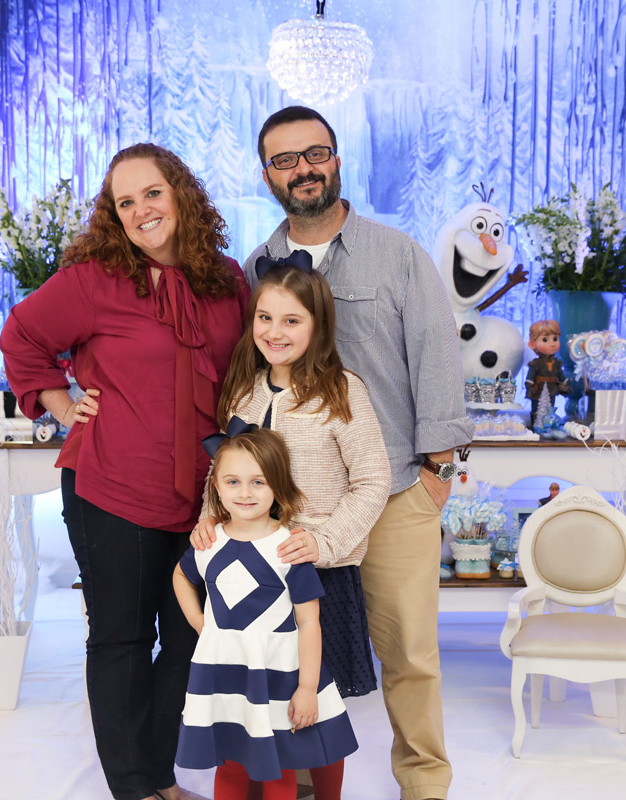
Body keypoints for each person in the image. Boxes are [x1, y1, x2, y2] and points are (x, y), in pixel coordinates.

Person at [0, 143, 248, 800]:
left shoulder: (227, 281)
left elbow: (246, 375)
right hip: (111, 486)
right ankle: (140, 787)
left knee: (198, 635)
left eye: (152, 193)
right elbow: (21, 336)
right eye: (125, 202)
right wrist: (60, 403)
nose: (142, 211)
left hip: (203, 495)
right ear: (114, 215)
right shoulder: (93, 280)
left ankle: (154, 769)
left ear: (181, 194)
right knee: (122, 639)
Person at [243, 106, 473, 800]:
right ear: (267, 176)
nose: (303, 169)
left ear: (337, 161)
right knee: (296, 649)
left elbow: (436, 355)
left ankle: (424, 785)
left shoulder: (397, 254)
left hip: (396, 488)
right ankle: (301, 785)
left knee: (409, 654)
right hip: (298, 508)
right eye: (285, 160)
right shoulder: (257, 267)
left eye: (315, 153)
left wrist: (438, 470)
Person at [190, 261, 392, 799]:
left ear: (318, 325)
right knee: (259, 698)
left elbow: (373, 480)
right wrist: (208, 519)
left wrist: (324, 543)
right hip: (251, 578)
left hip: (317, 574)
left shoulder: (342, 392)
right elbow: (222, 470)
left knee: (319, 704)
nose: (275, 332)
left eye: (292, 321)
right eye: (265, 318)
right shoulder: (244, 393)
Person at [173, 428, 359, 800]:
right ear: (217, 487)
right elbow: (181, 575)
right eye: (233, 481)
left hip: (280, 672)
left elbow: (308, 621)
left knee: (280, 766)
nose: (245, 492)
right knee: (230, 762)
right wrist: (200, 623)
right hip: (227, 672)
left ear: (277, 485)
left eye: (258, 482)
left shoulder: (289, 547)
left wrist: (307, 688)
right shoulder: (208, 542)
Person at [523, 319, 570, 426]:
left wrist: (566, 383)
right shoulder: (535, 363)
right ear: (532, 344)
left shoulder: (557, 363)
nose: (552, 344)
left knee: (550, 407)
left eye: (555, 339)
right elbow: (530, 377)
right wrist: (529, 387)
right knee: (536, 407)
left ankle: (548, 425)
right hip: (538, 389)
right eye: (545, 340)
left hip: (552, 389)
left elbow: (561, 375)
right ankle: (535, 425)